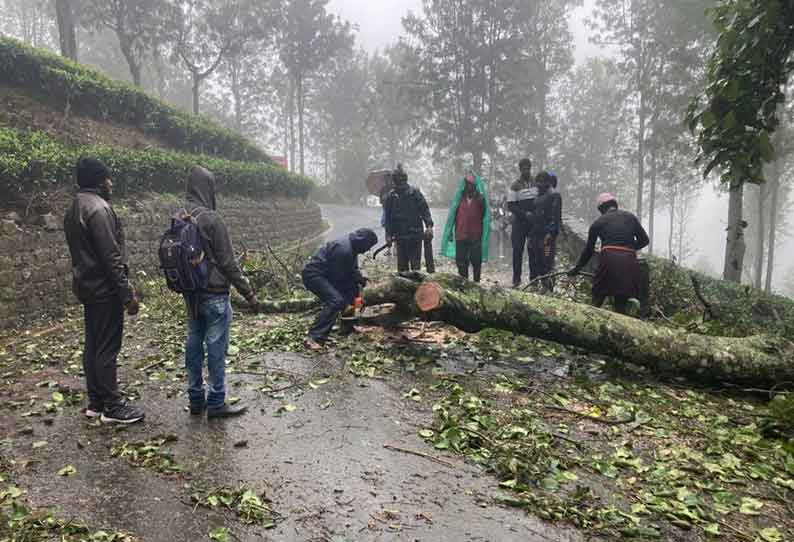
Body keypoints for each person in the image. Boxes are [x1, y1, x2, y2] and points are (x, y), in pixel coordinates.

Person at [64, 157, 144, 424]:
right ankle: (112, 406)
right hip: (105, 290)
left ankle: (96, 402)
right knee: (107, 347)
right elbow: (111, 258)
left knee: (94, 345)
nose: (111, 183)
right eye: (108, 178)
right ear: (100, 180)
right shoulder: (99, 209)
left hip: (87, 287)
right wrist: (127, 294)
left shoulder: (75, 207)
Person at [184, 166, 259, 418]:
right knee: (215, 348)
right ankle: (216, 402)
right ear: (208, 189)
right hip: (215, 295)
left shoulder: (180, 215)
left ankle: (195, 399)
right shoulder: (212, 219)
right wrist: (248, 292)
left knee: (194, 344)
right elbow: (228, 263)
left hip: (191, 294)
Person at [568, 193, 649, 314]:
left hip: (608, 259)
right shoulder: (631, 217)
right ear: (615, 205)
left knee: (598, 293)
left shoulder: (598, 223)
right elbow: (645, 240)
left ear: (601, 209)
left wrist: (577, 268)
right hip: (629, 261)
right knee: (621, 299)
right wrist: (629, 247)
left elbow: (589, 251)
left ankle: (591, 318)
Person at [302, 228, 378, 350]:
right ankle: (314, 337)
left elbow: (352, 271)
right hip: (314, 275)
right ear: (363, 242)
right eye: (368, 246)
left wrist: (363, 281)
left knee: (353, 290)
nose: (367, 250)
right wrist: (345, 304)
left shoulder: (352, 246)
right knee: (336, 301)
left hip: (327, 274)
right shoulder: (344, 250)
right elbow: (338, 279)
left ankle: (347, 327)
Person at [441, 169, 491, 282]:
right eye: (467, 184)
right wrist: (449, 232)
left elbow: (485, 217)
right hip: (461, 234)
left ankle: (476, 282)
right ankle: (464, 283)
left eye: (471, 184)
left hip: (475, 235)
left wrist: (484, 233)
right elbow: (452, 215)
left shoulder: (480, 199)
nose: (469, 187)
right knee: (461, 261)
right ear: (464, 184)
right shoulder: (459, 198)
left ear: (475, 185)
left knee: (476, 260)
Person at [383, 164, 434, 272]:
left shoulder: (415, 193)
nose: (400, 184)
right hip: (400, 238)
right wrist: (388, 235)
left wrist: (429, 226)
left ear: (405, 180)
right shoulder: (391, 197)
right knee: (402, 270)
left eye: (401, 181)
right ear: (394, 182)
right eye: (397, 182)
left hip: (415, 236)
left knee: (416, 269)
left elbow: (425, 210)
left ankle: (416, 287)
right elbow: (388, 219)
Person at [508, 158, 538, 287]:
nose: (526, 170)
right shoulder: (515, 185)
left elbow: (540, 201)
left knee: (533, 251)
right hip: (519, 223)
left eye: (528, 168)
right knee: (517, 251)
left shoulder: (536, 183)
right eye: (523, 168)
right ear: (520, 169)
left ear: (530, 168)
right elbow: (511, 206)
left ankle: (534, 279)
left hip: (533, 224)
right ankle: (516, 280)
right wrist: (525, 214)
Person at [531, 171, 563, 292]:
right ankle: (544, 285)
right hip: (537, 233)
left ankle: (549, 287)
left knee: (547, 259)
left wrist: (550, 233)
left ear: (547, 183)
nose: (538, 185)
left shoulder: (554, 195)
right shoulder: (539, 195)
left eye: (540, 183)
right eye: (537, 182)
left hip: (547, 235)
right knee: (538, 259)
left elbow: (555, 217)